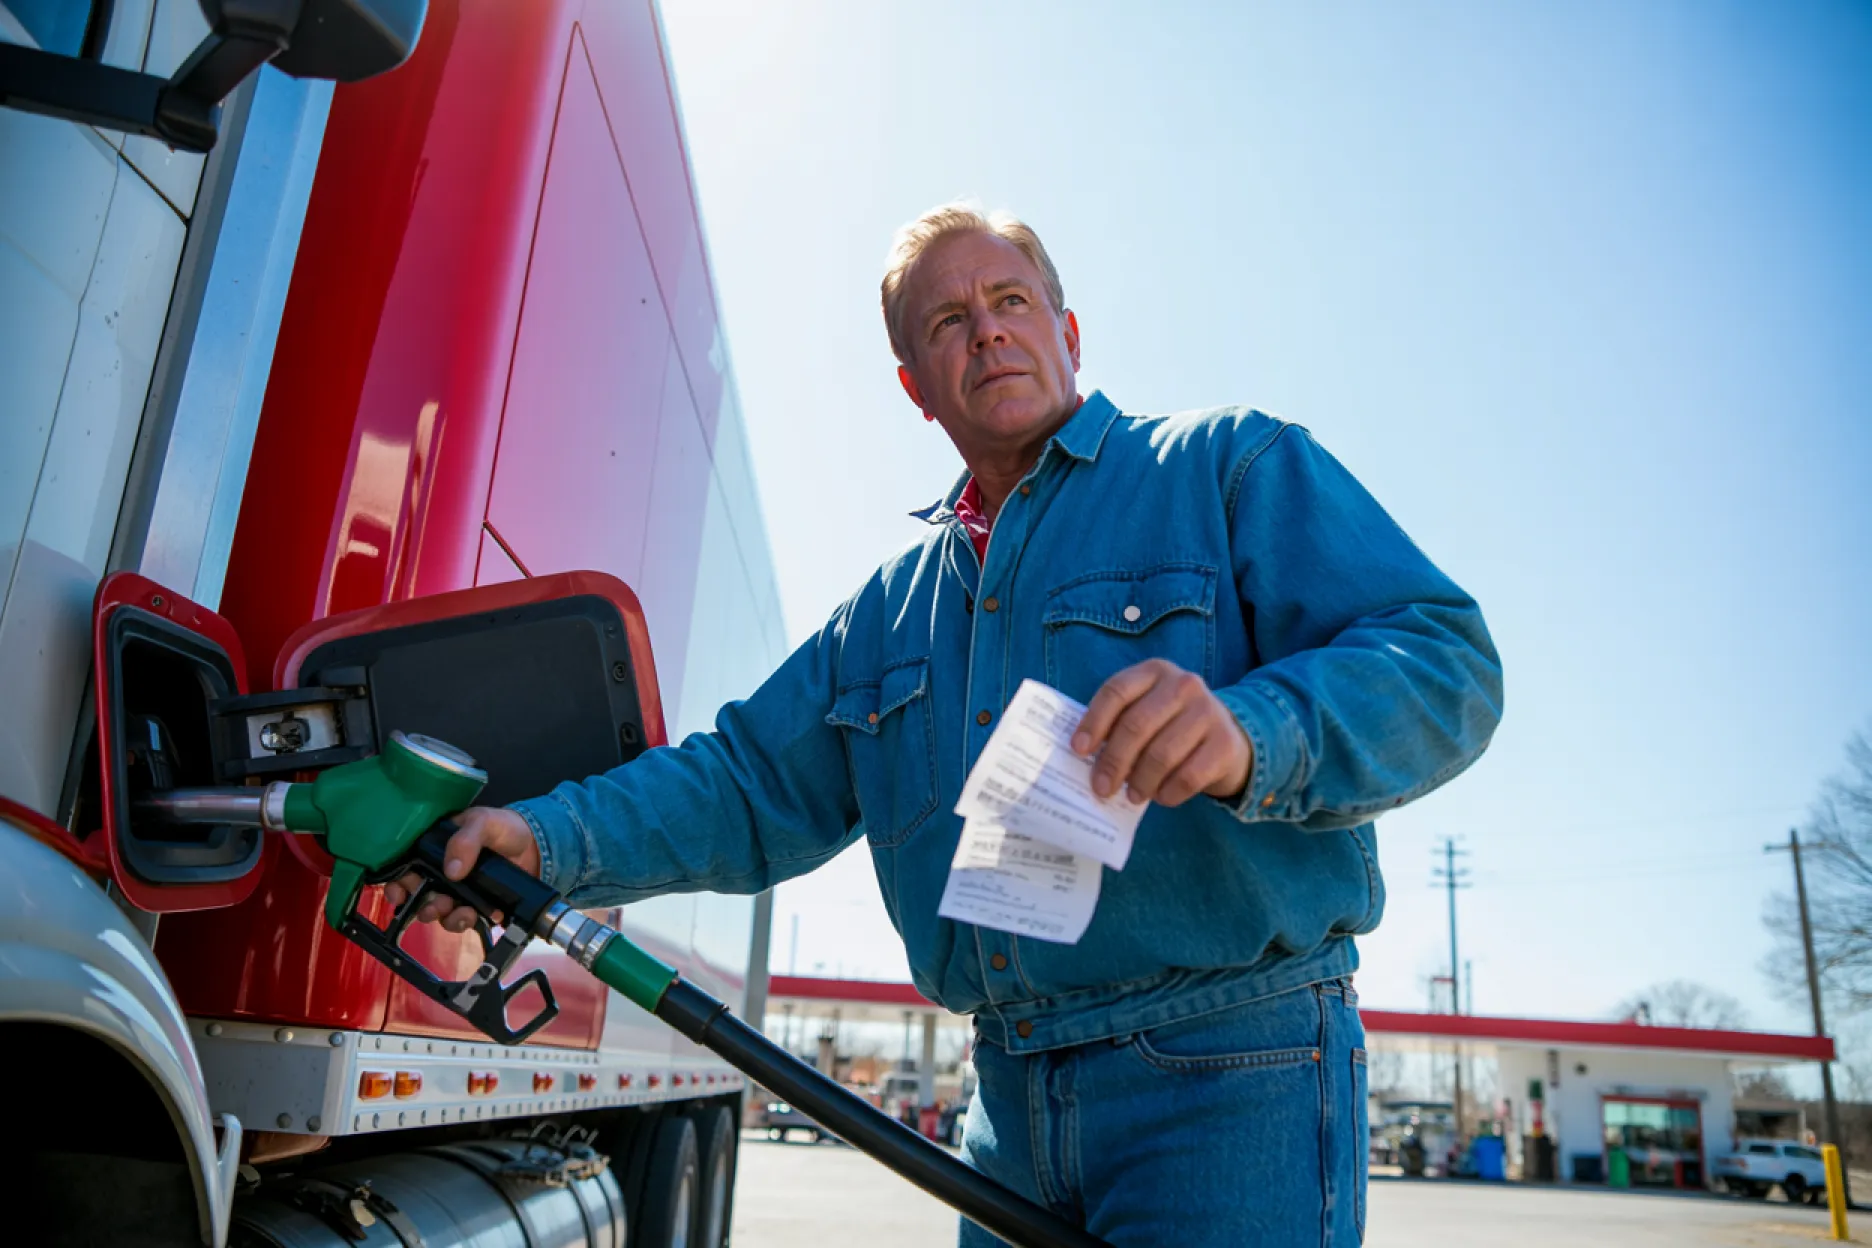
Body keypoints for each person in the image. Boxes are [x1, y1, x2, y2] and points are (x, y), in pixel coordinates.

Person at [390, 202, 1503, 1245]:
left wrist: (1258, 730)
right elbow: (738, 785)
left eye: (1011, 302)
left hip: (1234, 1071)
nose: (989, 333)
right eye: (948, 322)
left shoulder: (1225, 467)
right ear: (917, 386)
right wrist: (546, 841)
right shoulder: (886, 616)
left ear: (1067, 330)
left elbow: (1445, 664)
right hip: (1008, 1102)